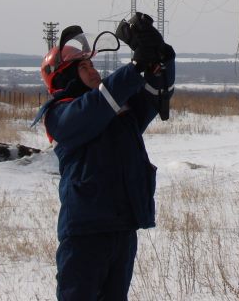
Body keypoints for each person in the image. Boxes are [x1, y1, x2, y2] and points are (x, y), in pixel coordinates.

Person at [32, 16, 175, 300]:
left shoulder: (119, 107)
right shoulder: (60, 115)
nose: (92, 70)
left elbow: (158, 94)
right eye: (83, 67)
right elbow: (95, 108)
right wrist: (135, 67)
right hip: (85, 232)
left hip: (123, 228)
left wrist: (161, 57)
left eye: (92, 64)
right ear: (66, 77)